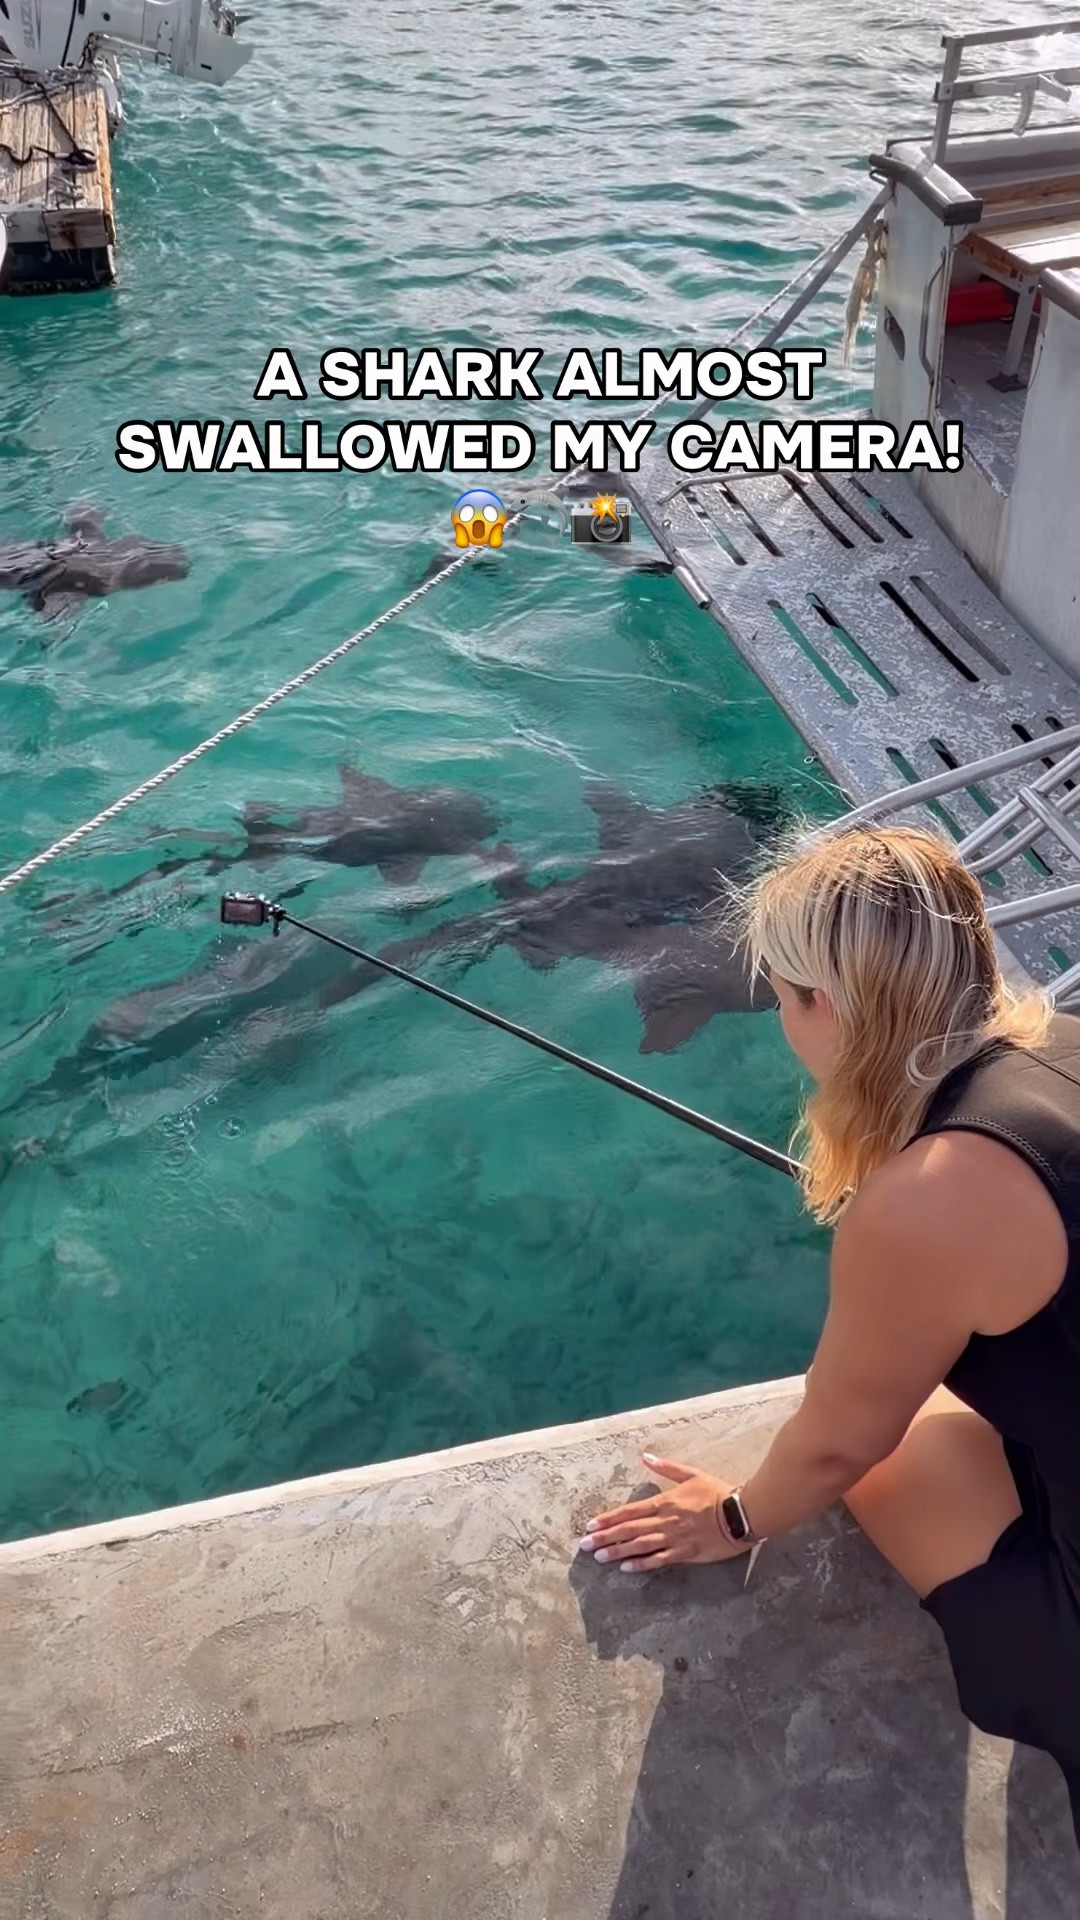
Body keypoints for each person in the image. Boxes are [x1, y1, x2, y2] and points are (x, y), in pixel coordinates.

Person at [577, 822, 1080, 1841]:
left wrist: (732, 1520)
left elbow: (841, 1440)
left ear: (825, 1006)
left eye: (780, 998)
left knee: (884, 1456)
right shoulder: (1065, 1040)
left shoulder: (929, 1200)